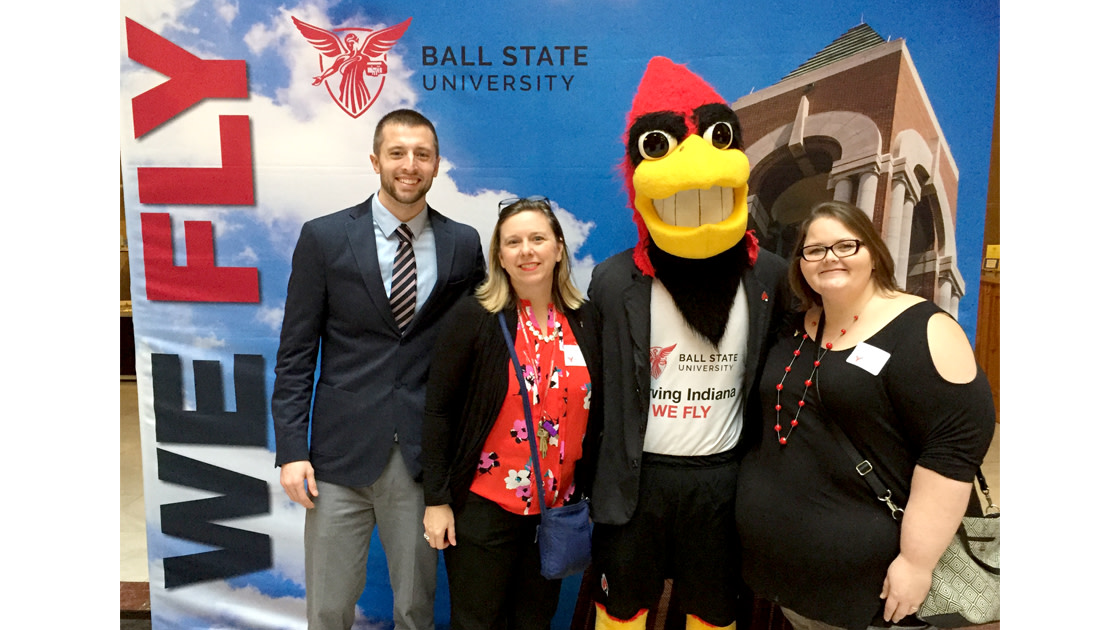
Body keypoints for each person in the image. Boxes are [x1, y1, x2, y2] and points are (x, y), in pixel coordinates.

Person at [735, 200, 996, 630]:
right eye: (814, 250)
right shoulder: (794, 326)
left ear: (873, 251)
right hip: (786, 582)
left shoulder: (924, 328)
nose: (830, 257)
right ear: (800, 264)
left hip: (869, 593)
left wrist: (916, 563)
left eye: (845, 245)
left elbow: (952, 451)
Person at [272, 108, 486, 630]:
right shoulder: (323, 238)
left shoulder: (464, 243)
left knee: (415, 607)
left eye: (422, 155)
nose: (409, 165)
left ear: (437, 165)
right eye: (397, 153)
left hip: (420, 460)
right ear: (375, 160)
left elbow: (478, 351)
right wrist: (292, 450)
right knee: (327, 607)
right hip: (336, 458)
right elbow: (296, 352)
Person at [421, 196, 601, 630]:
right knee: (476, 622)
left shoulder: (585, 319)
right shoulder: (475, 317)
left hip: (554, 510)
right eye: (513, 242)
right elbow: (438, 412)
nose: (527, 251)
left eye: (537, 238)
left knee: (535, 622)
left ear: (558, 247)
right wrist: (437, 501)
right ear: (498, 256)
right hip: (484, 507)